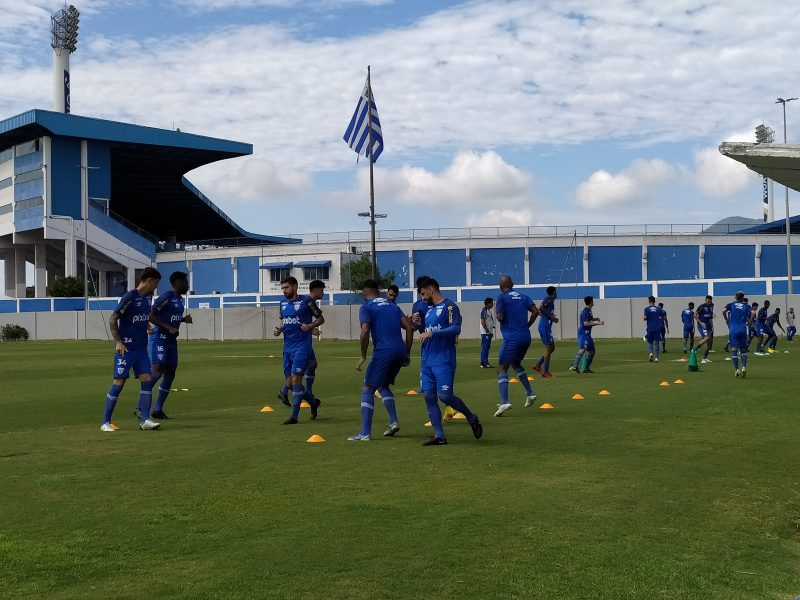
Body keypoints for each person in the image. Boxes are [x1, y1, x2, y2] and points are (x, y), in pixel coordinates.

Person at [417, 277, 482, 445]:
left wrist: (432, 334)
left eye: (424, 294)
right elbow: (426, 332)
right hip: (426, 360)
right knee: (429, 396)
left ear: (431, 290)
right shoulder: (429, 311)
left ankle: (471, 416)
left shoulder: (450, 306)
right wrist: (417, 325)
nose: (423, 298)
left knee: (444, 395)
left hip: (443, 359)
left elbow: (455, 328)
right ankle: (439, 436)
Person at [349, 279, 415, 441]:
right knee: (383, 385)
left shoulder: (366, 307)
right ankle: (393, 422)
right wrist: (406, 352)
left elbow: (365, 331)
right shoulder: (393, 306)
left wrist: (363, 355)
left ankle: (365, 433)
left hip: (384, 351)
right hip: (399, 350)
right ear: (378, 291)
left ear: (364, 293)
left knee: (368, 388)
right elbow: (409, 328)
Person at [100, 267, 162, 432]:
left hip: (141, 349)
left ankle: (145, 420)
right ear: (148, 281)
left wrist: (146, 325)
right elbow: (113, 319)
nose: (155, 287)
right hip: (126, 349)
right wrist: (118, 342)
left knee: (147, 380)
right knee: (119, 383)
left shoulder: (148, 298)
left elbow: (142, 316)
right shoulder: (129, 297)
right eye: (155, 283)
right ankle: (105, 422)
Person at [274, 276, 324, 425]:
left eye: (286, 288)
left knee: (296, 379)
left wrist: (310, 326)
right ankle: (313, 402)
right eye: (282, 288)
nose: (284, 291)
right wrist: (280, 330)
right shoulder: (282, 303)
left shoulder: (307, 301)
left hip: (302, 347)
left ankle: (294, 417)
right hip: (287, 347)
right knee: (290, 382)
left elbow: (321, 319)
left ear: (295, 287)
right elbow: (287, 322)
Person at [144, 271, 192, 420]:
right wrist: (168, 328)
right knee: (157, 372)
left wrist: (183, 319)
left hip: (171, 342)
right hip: (159, 339)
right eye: (185, 282)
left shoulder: (180, 300)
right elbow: (151, 316)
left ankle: (157, 410)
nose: (188, 285)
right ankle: (141, 405)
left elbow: (170, 317)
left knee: (170, 373)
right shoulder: (166, 297)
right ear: (177, 283)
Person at [493, 276, 539, 417]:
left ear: (501, 286)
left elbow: (500, 317)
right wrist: (526, 325)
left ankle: (505, 401)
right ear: (512, 285)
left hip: (512, 338)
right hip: (526, 336)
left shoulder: (502, 298)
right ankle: (530, 394)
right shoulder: (524, 296)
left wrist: (501, 315)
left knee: (502, 367)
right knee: (515, 363)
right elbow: (536, 311)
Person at [570, 296, 603, 373]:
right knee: (583, 349)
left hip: (588, 334)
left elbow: (589, 319)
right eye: (593, 301)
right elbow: (585, 323)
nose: (593, 302)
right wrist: (598, 323)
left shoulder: (589, 310)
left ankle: (586, 368)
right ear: (591, 302)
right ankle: (574, 366)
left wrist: (595, 319)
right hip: (583, 333)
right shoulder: (585, 311)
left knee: (592, 351)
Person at [722, 291, 751, 378]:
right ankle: (743, 367)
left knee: (734, 350)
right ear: (742, 298)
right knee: (743, 350)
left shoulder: (731, 305)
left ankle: (737, 370)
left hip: (733, 330)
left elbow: (723, 310)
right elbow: (753, 313)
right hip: (742, 329)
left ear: (735, 297)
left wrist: (726, 319)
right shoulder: (746, 306)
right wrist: (750, 320)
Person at [532, 286, 558, 378]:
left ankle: (538, 365)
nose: (557, 294)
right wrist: (551, 317)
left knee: (551, 348)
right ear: (554, 292)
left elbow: (544, 311)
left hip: (545, 326)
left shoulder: (551, 301)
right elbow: (541, 308)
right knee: (549, 348)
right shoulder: (549, 299)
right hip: (545, 327)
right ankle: (545, 371)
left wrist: (552, 317)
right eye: (556, 292)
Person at [693, 295, 715, 364]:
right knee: (706, 338)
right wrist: (701, 322)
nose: (709, 302)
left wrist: (712, 325)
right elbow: (695, 315)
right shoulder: (701, 306)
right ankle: (694, 350)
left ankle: (704, 358)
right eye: (707, 301)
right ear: (705, 300)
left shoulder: (712, 305)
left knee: (709, 342)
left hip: (708, 326)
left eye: (710, 301)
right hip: (702, 325)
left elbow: (710, 317)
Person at [643, 296, 665, 362]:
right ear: (654, 301)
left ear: (649, 301)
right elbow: (663, 317)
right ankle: (656, 358)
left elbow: (645, 318)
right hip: (657, 328)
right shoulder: (658, 309)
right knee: (657, 343)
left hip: (650, 328)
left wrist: (645, 317)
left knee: (650, 342)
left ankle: (651, 353)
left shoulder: (646, 309)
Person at [479, 297, 495, 368]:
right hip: (485, 332)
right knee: (485, 347)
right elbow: (483, 321)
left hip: (488, 332)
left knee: (486, 347)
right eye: (491, 303)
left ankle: (484, 362)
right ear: (488, 303)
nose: (492, 304)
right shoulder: (484, 310)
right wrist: (487, 330)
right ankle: (484, 363)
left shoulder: (487, 310)